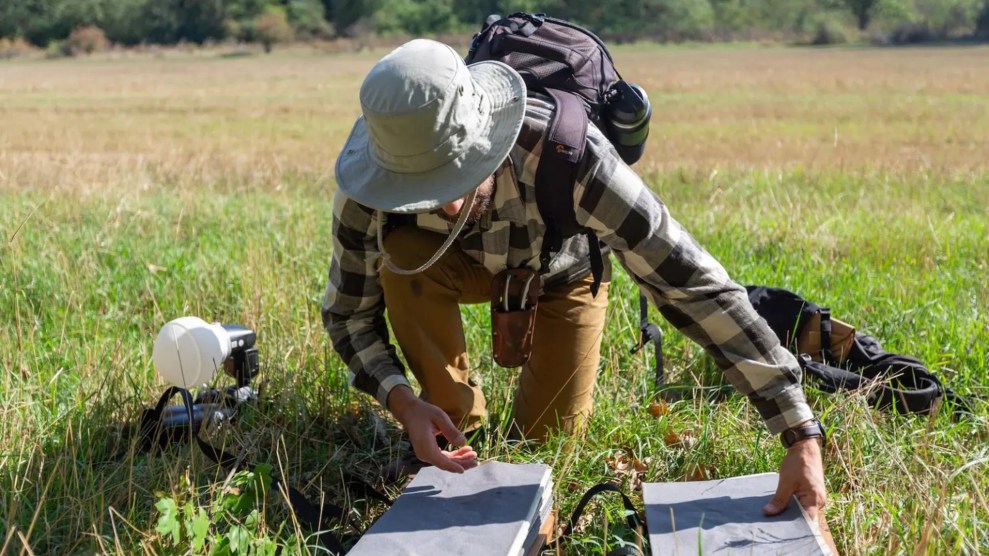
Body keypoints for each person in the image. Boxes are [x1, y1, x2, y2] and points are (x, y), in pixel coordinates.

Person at [321, 38, 828, 520]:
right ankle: (449, 422)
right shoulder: (370, 185)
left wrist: (799, 430)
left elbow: (691, 283)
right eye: (424, 192)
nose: (449, 206)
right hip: (440, 271)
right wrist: (403, 403)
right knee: (402, 252)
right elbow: (348, 316)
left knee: (545, 445)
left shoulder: (571, 157)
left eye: (458, 175)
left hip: (562, 272)